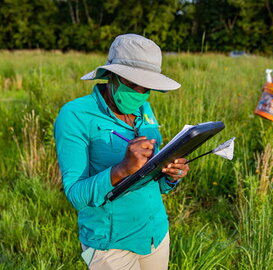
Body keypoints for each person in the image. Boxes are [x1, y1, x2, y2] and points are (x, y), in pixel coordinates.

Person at [54, 34, 189, 270]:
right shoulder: (75, 115)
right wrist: (121, 169)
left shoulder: (144, 109)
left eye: (146, 87)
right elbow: (76, 195)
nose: (139, 92)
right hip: (110, 246)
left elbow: (152, 178)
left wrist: (170, 177)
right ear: (111, 76)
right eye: (132, 83)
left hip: (155, 233)